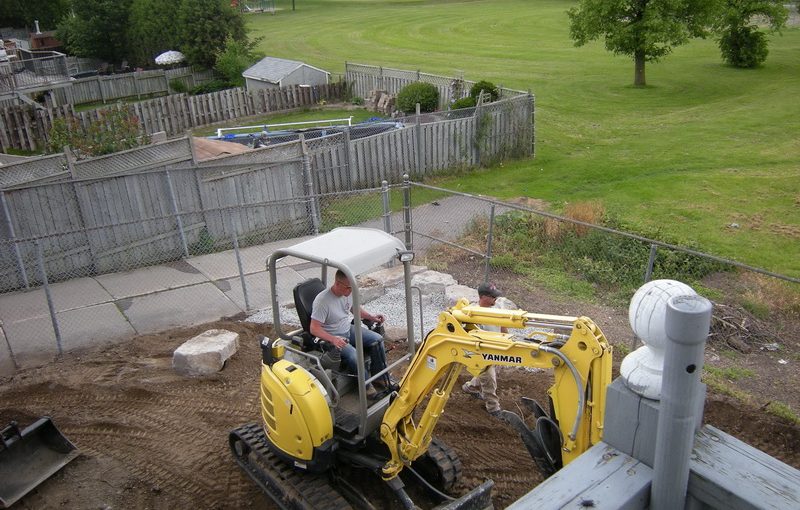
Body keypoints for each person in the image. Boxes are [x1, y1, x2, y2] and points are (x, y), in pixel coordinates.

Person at [310, 269, 392, 391]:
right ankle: (367, 387)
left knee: (378, 339)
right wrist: (333, 339)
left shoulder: (347, 293)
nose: (351, 290)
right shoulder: (322, 301)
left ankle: (379, 377)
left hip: (348, 329)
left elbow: (355, 309)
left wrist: (371, 317)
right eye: (348, 287)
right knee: (354, 355)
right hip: (333, 336)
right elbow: (314, 328)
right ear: (337, 283)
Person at [462, 283, 507, 417]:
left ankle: (470, 387)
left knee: (493, 370)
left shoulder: (497, 307)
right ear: (482, 297)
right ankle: (494, 409)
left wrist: (506, 340)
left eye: (496, 296)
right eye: (492, 297)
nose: (495, 299)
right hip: (481, 352)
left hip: (496, 348)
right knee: (489, 379)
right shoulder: (473, 314)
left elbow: (504, 325)